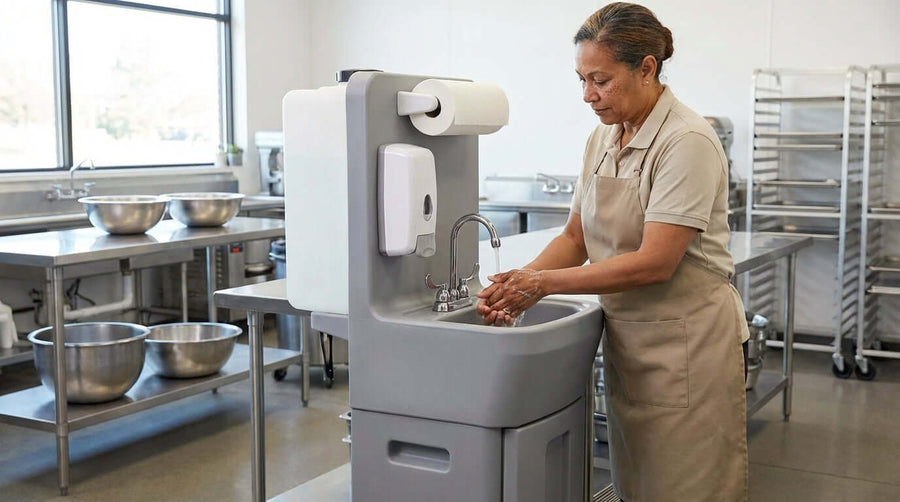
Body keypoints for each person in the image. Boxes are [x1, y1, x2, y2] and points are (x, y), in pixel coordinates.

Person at [476, 3, 749, 501]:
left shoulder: (685, 141)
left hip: (688, 345)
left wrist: (542, 285)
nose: (588, 95)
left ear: (647, 68)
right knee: (639, 482)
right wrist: (515, 282)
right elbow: (575, 239)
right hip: (632, 339)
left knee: (688, 485)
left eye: (600, 80)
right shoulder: (603, 136)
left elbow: (655, 261)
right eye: (581, 80)